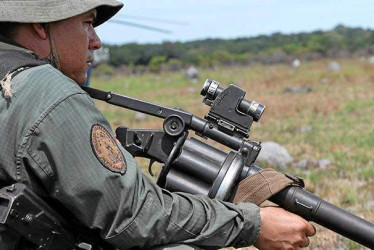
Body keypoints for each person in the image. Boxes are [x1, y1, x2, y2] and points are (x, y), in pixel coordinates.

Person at [0, 1, 316, 249]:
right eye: (87, 23)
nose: (95, 41)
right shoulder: (50, 93)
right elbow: (134, 216)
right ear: (41, 25)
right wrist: (253, 225)